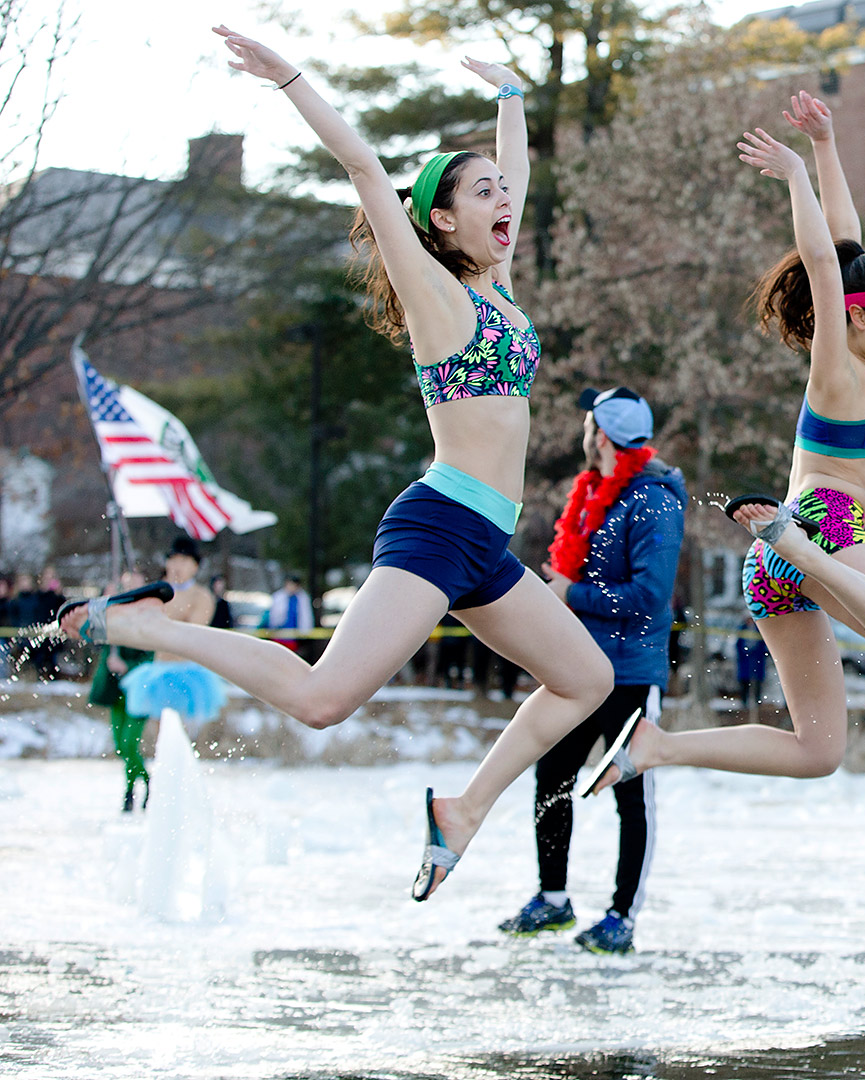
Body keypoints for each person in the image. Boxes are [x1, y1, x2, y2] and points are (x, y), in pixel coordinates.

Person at [61, 27, 614, 905]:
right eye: (483, 193)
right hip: (440, 527)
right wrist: (290, 78)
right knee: (323, 699)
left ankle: (463, 811)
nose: (505, 201)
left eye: (504, 192)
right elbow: (363, 167)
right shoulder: (440, 300)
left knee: (587, 677)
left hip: (485, 542)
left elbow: (519, 176)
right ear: (439, 219)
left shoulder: (501, 290)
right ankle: (143, 628)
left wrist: (512, 99)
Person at [583, 92, 865, 794]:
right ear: (856, 316)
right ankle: (793, 544)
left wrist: (824, 144)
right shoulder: (838, 368)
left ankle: (655, 747)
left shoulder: (860, 360)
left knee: (817, 752)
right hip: (820, 530)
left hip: (779, 560)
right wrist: (796, 179)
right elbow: (822, 258)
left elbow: (844, 245)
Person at [498, 387, 685, 956]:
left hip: (628, 672)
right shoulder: (592, 492)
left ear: (600, 434)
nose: (584, 432)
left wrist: (570, 592)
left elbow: (650, 596)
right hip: (578, 669)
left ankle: (622, 916)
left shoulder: (653, 500)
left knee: (630, 794)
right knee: (551, 774)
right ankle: (552, 900)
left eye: (589, 423)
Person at [120, 536, 231, 731]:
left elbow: (192, 629)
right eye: (174, 560)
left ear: (195, 566)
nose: (177, 567)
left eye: (184, 561)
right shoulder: (157, 593)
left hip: (187, 670)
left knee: (183, 731)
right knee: (158, 730)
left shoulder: (201, 595)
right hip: (159, 668)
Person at [88, 571, 157, 811]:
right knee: (120, 746)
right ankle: (133, 788)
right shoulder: (112, 614)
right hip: (115, 688)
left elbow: (152, 656)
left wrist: (128, 666)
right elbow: (93, 634)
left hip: (138, 689)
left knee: (129, 743)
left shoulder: (147, 617)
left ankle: (142, 785)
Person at [266, 574, 314, 652]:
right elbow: (274, 616)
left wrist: (305, 632)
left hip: (294, 636)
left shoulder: (302, 598)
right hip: (279, 634)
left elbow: (306, 617)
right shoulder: (278, 596)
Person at [736, 614, 769, 714]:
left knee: (757, 682)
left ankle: (757, 701)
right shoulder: (742, 629)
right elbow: (738, 645)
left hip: (757, 660)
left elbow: (763, 645)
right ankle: (744, 702)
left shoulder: (759, 630)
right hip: (746, 661)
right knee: (744, 682)